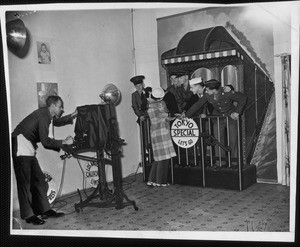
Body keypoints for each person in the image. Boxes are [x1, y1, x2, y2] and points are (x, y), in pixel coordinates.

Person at [11, 95, 78, 225]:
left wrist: (73, 114)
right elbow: (46, 141)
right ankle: (28, 216)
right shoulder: (43, 116)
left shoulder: (48, 115)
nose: (61, 109)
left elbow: (57, 122)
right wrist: (64, 141)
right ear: (52, 106)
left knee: (39, 179)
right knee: (24, 183)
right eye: (59, 106)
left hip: (27, 145)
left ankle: (44, 210)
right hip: (20, 143)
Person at [181, 79, 247, 167]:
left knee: (233, 140)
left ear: (214, 90)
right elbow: (197, 104)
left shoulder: (226, 92)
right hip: (218, 118)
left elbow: (243, 98)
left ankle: (235, 164)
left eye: (208, 90)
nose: (206, 91)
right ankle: (220, 162)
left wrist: (237, 112)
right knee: (218, 141)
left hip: (230, 117)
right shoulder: (207, 95)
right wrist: (186, 115)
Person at [146, 87, 177, 187]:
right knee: (164, 157)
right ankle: (161, 181)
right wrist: (174, 116)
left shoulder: (150, 107)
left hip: (154, 132)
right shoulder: (161, 104)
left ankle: (151, 180)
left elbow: (160, 117)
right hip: (163, 131)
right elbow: (166, 116)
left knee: (158, 158)